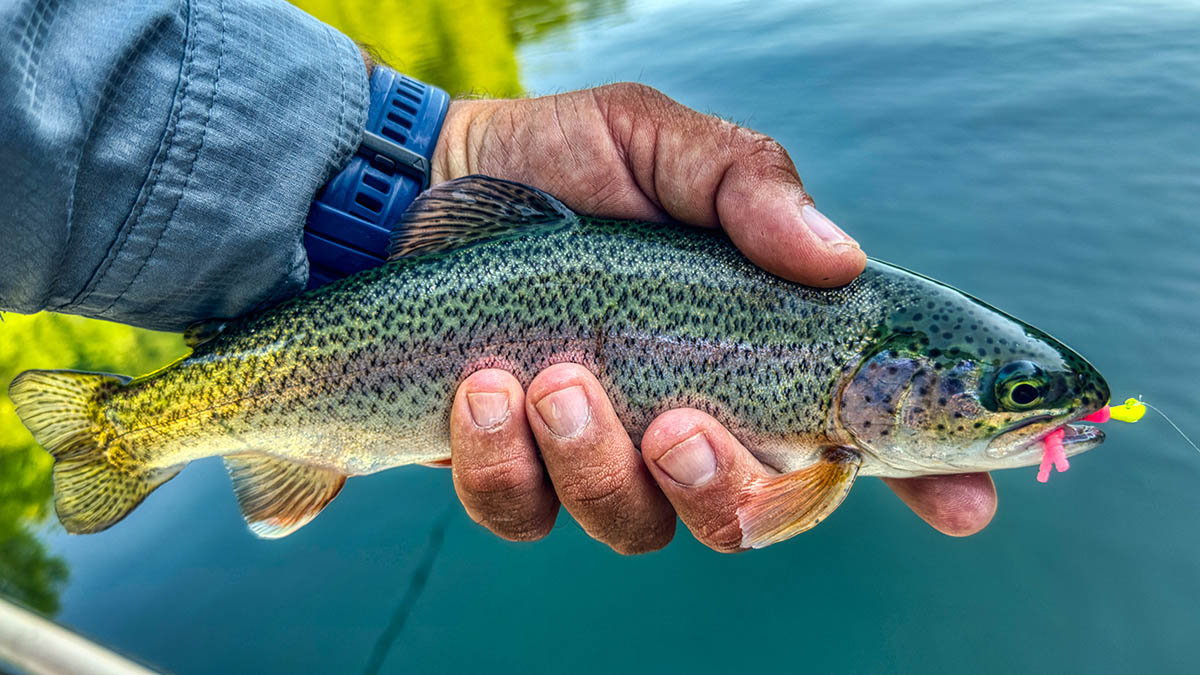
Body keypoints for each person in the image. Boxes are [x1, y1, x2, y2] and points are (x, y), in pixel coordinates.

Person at [0, 0, 995, 554]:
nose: (1025, 416)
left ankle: (144, 423)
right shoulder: (836, 443)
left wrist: (426, 166)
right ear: (900, 377)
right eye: (1012, 397)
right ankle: (129, 427)